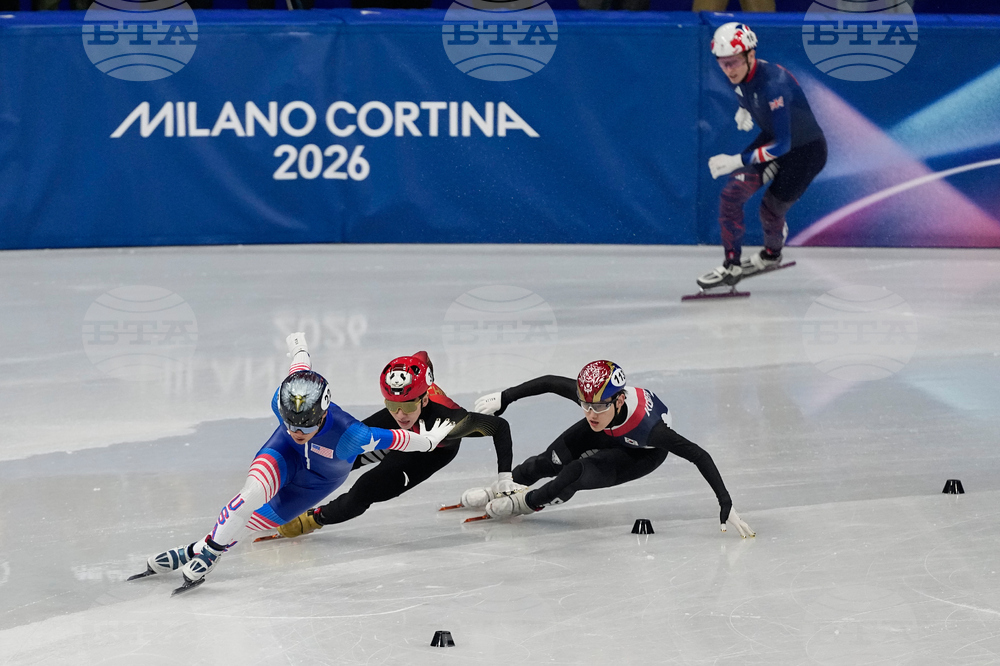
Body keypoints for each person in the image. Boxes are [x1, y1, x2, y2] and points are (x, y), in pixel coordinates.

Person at [128, 333, 455, 594]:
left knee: (256, 522)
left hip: (317, 482)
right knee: (251, 494)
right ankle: (210, 554)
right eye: (291, 424)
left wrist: (428, 441)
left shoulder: (351, 434)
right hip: (282, 454)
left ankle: (194, 549)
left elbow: (397, 438)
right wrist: (297, 342)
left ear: (324, 413)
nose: (298, 431)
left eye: (306, 427)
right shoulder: (283, 400)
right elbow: (299, 364)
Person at [468, 360, 754, 537]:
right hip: (608, 431)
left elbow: (698, 454)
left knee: (574, 473)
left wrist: (724, 500)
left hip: (640, 452)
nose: (590, 413)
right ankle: (502, 488)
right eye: (585, 405)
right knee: (546, 462)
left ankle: (524, 503)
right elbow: (550, 383)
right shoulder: (596, 402)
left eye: (598, 407)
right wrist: (506, 397)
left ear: (618, 401)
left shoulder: (652, 428)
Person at [274, 345, 517, 539]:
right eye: (392, 405)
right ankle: (289, 493)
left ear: (423, 399)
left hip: (432, 451)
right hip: (409, 428)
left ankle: (312, 519)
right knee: (343, 451)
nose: (401, 414)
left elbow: (500, 427)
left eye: (408, 405)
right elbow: (421, 356)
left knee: (366, 489)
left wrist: (505, 477)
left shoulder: (454, 422)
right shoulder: (403, 402)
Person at [698, 22, 827, 290]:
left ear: (750, 55)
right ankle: (731, 265)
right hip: (775, 138)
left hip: (805, 152)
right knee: (732, 193)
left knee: (770, 210)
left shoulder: (774, 84)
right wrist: (743, 108)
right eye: (722, 64)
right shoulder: (739, 72)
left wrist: (736, 160)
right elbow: (744, 89)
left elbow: (782, 145)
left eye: (733, 63)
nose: (728, 70)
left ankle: (771, 254)